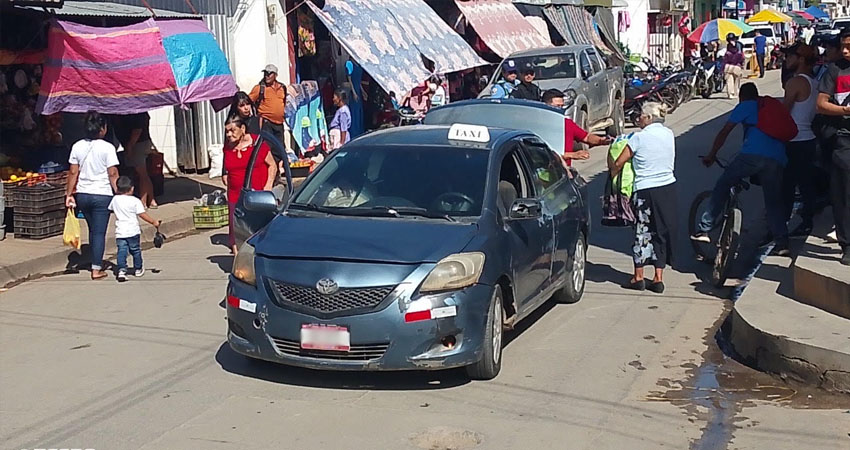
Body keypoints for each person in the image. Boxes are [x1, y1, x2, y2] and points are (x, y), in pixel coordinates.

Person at [694, 83, 790, 256]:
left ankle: (704, 229)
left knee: (723, 183)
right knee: (773, 201)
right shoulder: (769, 107)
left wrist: (712, 154)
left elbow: (725, 132)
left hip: (752, 156)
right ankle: (782, 243)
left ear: (742, 96)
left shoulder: (745, 105)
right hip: (777, 158)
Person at [609, 102, 677, 293]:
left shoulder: (638, 138)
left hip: (645, 190)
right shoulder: (669, 134)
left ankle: (638, 277)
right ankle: (658, 278)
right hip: (667, 187)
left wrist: (614, 177)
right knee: (661, 231)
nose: (638, 119)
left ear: (648, 118)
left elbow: (619, 162)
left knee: (642, 231)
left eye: (640, 116)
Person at [65, 111, 119, 280]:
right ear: (102, 129)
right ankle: (96, 268)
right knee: (99, 232)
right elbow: (113, 173)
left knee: (92, 229)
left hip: (83, 194)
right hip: (102, 194)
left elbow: (73, 172)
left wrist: (69, 194)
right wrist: (119, 193)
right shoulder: (108, 147)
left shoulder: (77, 146)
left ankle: (95, 260)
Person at [816, 29, 850, 265]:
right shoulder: (834, 70)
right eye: (843, 45)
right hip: (844, 141)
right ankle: (847, 245)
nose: (845, 50)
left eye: (849, 45)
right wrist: (845, 111)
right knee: (843, 196)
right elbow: (821, 104)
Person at [222, 114, 277, 254]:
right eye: (227, 131)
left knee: (259, 231)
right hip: (235, 196)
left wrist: (268, 186)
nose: (229, 134)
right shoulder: (227, 148)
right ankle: (238, 261)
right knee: (237, 233)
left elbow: (272, 165)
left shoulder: (257, 144)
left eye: (232, 130)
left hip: (257, 196)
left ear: (243, 129)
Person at [782, 43, 819, 238]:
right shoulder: (813, 81)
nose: (787, 60)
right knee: (805, 184)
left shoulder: (795, 82)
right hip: (807, 138)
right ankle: (806, 221)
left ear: (801, 59)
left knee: (787, 186)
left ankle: (781, 228)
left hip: (795, 140)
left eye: (790, 56)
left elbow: (784, 113)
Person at [109, 176, 161, 282]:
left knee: (122, 251)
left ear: (118, 188)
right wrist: (153, 222)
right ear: (132, 188)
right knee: (135, 250)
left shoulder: (115, 200)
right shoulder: (135, 201)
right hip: (133, 231)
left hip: (120, 232)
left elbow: (110, 209)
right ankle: (138, 268)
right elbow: (142, 214)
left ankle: (122, 271)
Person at [112, 112, 156, 208]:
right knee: (143, 174)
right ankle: (151, 199)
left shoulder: (136, 112)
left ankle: (143, 202)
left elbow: (137, 129)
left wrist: (130, 146)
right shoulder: (140, 111)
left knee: (142, 174)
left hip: (137, 144)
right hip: (140, 143)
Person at [249, 64, 286, 146]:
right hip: (266, 123)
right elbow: (248, 101)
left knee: (280, 147)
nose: (267, 76)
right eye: (265, 73)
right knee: (268, 147)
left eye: (269, 74)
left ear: (275, 75)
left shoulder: (282, 87)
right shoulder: (259, 88)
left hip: (279, 123)